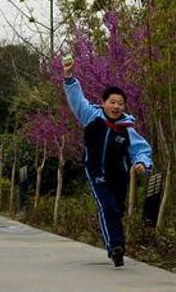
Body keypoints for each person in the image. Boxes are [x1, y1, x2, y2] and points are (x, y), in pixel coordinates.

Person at [62, 55, 152, 268]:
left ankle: (116, 243)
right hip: (97, 172)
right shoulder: (92, 117)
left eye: (120, 103)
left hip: (119, 176)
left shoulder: (127, 127)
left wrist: (142, 164)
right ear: (103, 103)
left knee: (116, 210)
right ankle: (116, 248)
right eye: (112, 102)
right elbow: (77, 100)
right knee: (107, 207)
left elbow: (141, 149)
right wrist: (68, 77)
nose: (116, 106)